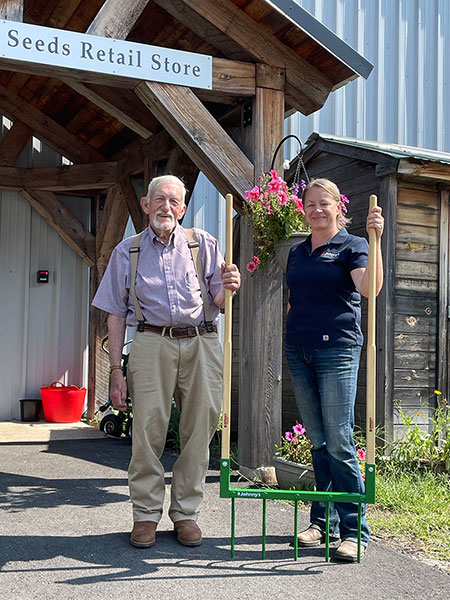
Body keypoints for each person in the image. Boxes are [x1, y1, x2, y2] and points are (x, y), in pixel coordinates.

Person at [92, 175, 240, 549]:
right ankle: (145, 515)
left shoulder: (203, 244)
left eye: (174, 201)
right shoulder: (127, 252)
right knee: (147, 430)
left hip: (202, 341)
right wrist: (114, 371)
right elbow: (114, 314)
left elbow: (220, 301)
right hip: (149, 342)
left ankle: (185, 513)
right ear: (145, 205)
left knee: (200, 427)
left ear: (183, 209)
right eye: (160, 200)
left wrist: (230, 285)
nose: (167, 208)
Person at [285, 178, 384, 562]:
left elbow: (369, 288)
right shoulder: (296, 251)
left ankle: (354, 530)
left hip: (337, 351)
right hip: (299, 350)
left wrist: (375, 239)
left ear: (337, 206)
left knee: (340, 440)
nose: (316, 210)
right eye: (309, 204)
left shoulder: (353, 245)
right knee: (318, 441)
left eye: (323, 203)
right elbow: (296, 298)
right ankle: (321, 521)